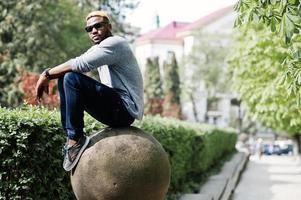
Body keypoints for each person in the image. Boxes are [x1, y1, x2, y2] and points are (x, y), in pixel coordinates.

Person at [35, 11, 144, 171]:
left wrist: (45, 75)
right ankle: (70, 137)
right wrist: (51, 74)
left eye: (98, 26)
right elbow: (76, 62)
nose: (94, 31)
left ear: (109, 26)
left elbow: (80, 64)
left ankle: (75, 138)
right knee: (65, 77)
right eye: (89, 29)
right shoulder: (98, 49)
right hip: (115, 109)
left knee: (71, 77)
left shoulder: (115, 43)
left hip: (124, 110)